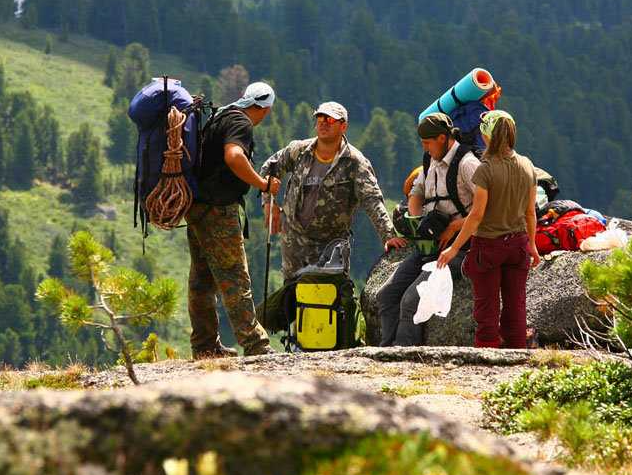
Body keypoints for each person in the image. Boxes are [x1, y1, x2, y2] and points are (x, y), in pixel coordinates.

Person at [258, 101, 407, 329]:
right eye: (320, 119)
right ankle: (299, 341)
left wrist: (388, 235)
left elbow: (372, 199)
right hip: (294, 242)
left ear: (343, 126)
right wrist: (268, 204)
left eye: (330, 120)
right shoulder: (299, 151)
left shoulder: (355, 162)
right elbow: (270, 168)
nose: (323, 124)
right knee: (294, 294)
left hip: (331, 247)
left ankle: (328, 342)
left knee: (329, 297)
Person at [186, 82, 281, 359]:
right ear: (265, 108)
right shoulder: (241, 123)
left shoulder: (221, 117)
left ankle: (204, 345)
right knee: (235, 277)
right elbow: (234, 155)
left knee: (202, 280)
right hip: (218, 211)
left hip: (196, 208)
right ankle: (256, 345)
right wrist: (263, 184)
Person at [437, 110, 541, 349]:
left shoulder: (485, 170)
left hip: (489, 247)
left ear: (487, 136)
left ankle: (487, 356)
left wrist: (454, 248)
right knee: (516, 306)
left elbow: (476, 216)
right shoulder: (527, 165)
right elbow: (530, 212)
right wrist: (532, 245)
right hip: (518, 244)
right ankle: (517, 358)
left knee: (487, 309)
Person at [376, 113, 479, 346]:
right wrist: (416, 218)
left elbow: (488, 209)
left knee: (412, 299)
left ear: (442, 138)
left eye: (427, 142)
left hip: (460, 247)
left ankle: (404, 355)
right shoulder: (430, 160)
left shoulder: (468, 164)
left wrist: (454, 226)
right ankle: (385, 351)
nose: (424, 148)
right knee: (387, 295)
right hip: (430, 245)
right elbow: (417, 192)